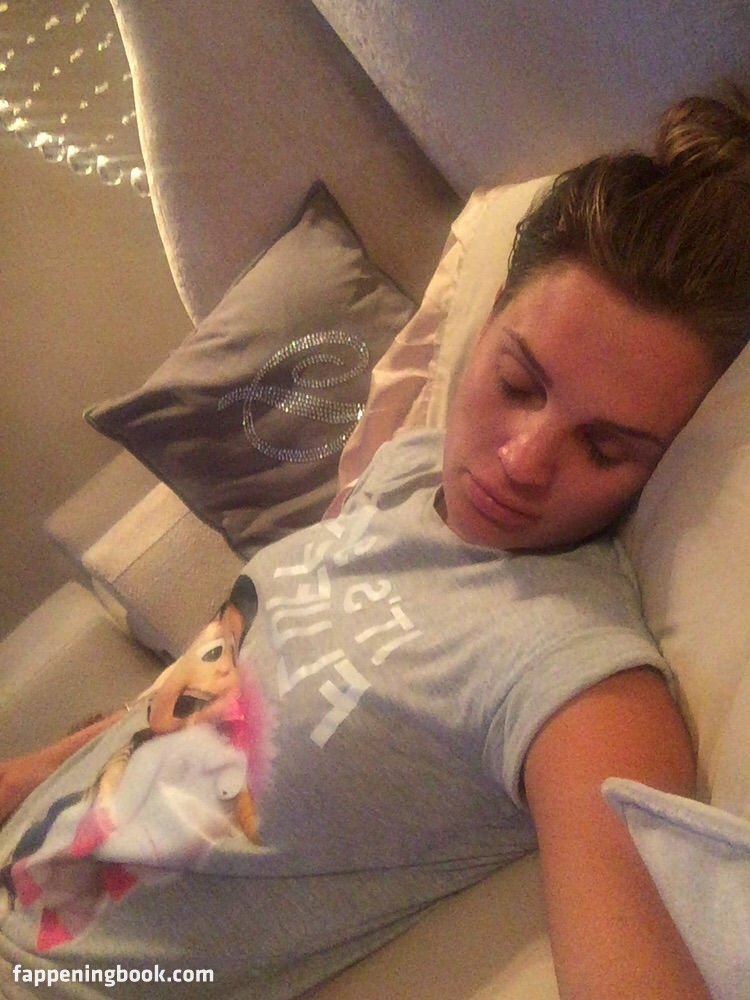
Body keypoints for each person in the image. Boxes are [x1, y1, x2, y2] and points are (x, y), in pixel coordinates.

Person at [1, 88, 749, 1000]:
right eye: (518, 384)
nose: (521, 462)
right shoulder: (410, 471)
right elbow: (219, 675)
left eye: (604, 448)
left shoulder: (576, 678)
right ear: (486, 325)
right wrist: (22, 777)